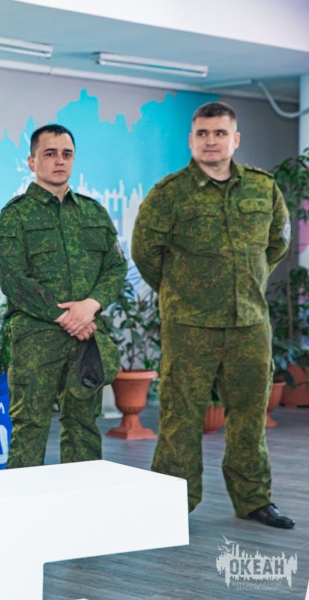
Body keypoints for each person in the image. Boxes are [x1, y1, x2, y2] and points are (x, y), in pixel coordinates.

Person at [132, 101, 294, 529]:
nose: (211, 141)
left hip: (249, 325)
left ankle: (254, 499)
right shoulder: (169, 194)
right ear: (191, 140)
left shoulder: (263, 188)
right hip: (190, 327)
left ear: (235, 139)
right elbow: (145, 253)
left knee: (249, 417)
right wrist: (183, 292)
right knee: (179, 418)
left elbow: (276, 243)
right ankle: (173, 504)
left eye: (220, 133)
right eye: (202, 134)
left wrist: (247, 282)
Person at [0, 124, 125, 468]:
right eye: (50, 154)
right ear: (32, 162)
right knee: (30, 426)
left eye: (67, 154)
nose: (59, 161)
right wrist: (66, 316)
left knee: (84, 426)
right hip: (36, 338)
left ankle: (83, 497)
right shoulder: (15, 215)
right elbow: (13, 279)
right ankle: (21, 500)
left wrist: (90, 306)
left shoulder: (94, 213)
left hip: (86, 338)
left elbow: (115, 267)